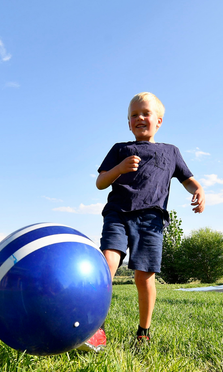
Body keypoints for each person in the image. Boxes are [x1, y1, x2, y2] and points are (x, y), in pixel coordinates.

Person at [78, 92, 205, 352]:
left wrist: (199, 189)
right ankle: (95, 327)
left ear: (158, 121)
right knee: (107, 263)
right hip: (118, 213)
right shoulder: (120, 150)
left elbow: (187, 179)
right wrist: (119, 169)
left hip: (151, 219)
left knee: (143, 276)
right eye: (134, 115)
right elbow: (101, 182)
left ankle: (143, 332)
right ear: (128, 123)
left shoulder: (171, 152)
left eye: (145, 113)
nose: (139, 118)